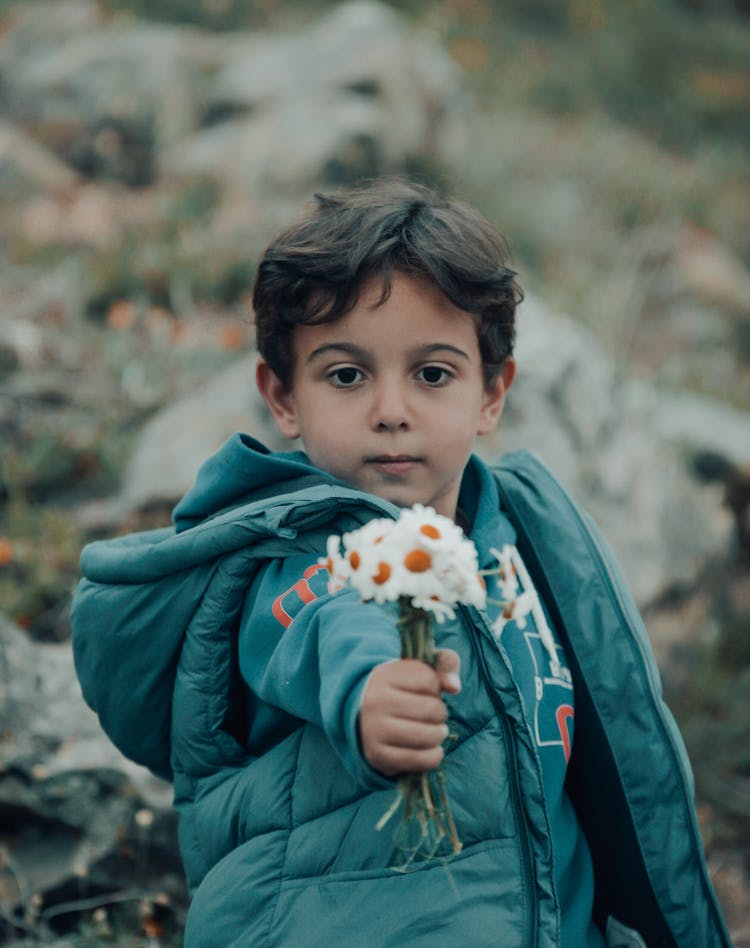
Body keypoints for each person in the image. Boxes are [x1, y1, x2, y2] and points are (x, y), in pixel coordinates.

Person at [72, 179, 730, 947]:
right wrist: (369, 693)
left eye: (433, 374)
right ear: (283, 398)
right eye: (346, 375)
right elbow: (330, 617)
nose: (391, 408)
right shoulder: (290, 558)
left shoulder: (522, 542)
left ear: (492, 393)